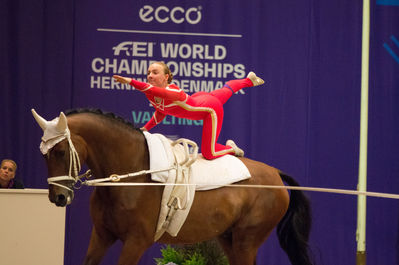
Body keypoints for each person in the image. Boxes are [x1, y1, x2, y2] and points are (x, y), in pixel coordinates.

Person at [113, 61, 264, 160]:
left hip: (209, 109)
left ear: (166, 77)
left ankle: (231, 149)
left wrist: (130, 81)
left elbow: (157, 92)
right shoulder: (151, 94)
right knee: (226, 90)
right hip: (200, 99)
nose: (150, 76)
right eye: (148, 73)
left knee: (209, 153)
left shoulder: (172, 91)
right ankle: (248, 81)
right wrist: (145, 128)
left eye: (155, 72)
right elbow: (161, 111)